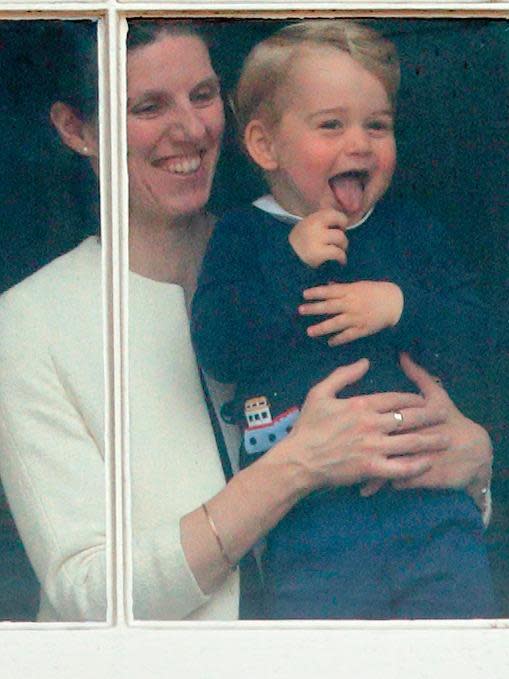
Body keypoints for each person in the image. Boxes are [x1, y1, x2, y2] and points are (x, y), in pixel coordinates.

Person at [0, 19, 493, 623]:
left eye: (203, 96)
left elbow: (451, 369)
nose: (190, 130)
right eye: (149, 106)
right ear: (77, 129)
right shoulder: (31, 321)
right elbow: (87, 592)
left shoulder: (299, 245)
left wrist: (475, 459)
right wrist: (296, 466)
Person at [191, 20, 497, 619]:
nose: (360, 143)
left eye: (377, 125)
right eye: (331, 124)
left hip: (431, 506)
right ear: (264, 146)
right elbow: (219, 346)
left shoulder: (410, 231)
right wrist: (288, 261)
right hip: (312, 522)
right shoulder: (245, 236)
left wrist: (402, 306)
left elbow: (479, 336)